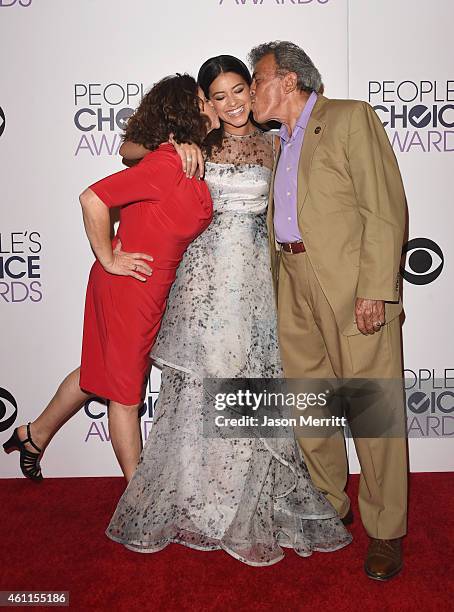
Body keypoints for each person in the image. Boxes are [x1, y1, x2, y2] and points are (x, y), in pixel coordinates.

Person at [106, 55, 351, 566]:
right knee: (200, 387)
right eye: (218, 96)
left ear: (250, 89)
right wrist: (176, 144)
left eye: (240, 90)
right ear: (205, 102)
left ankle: (240, 501)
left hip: (256, 287)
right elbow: (130, 148)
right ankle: (199, 503)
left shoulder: (273, 142)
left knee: (246, 384)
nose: (233, 103)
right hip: (199, 284)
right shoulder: (198, 140)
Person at [3, 74, 220, 483]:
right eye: (203, 99)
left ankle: (33, 435)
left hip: (148, 288)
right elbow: (93, 197)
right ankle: (137, 498)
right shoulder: (167, 163)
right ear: (186, 112)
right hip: (128, 286)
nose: (211, 103)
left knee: (98, 373)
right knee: (124, 393)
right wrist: (108, 258)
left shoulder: (184, 158)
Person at [248, 41, 408, 580]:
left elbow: (384, 207)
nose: (250, 90)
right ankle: (328, 508)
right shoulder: (276, 142)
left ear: (288, 81)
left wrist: (376, 289)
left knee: (372, 408)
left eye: (257, 78)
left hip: (349, 287)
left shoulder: (348, 118)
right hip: (290, 281)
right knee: (310, 406)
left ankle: (386, 530)